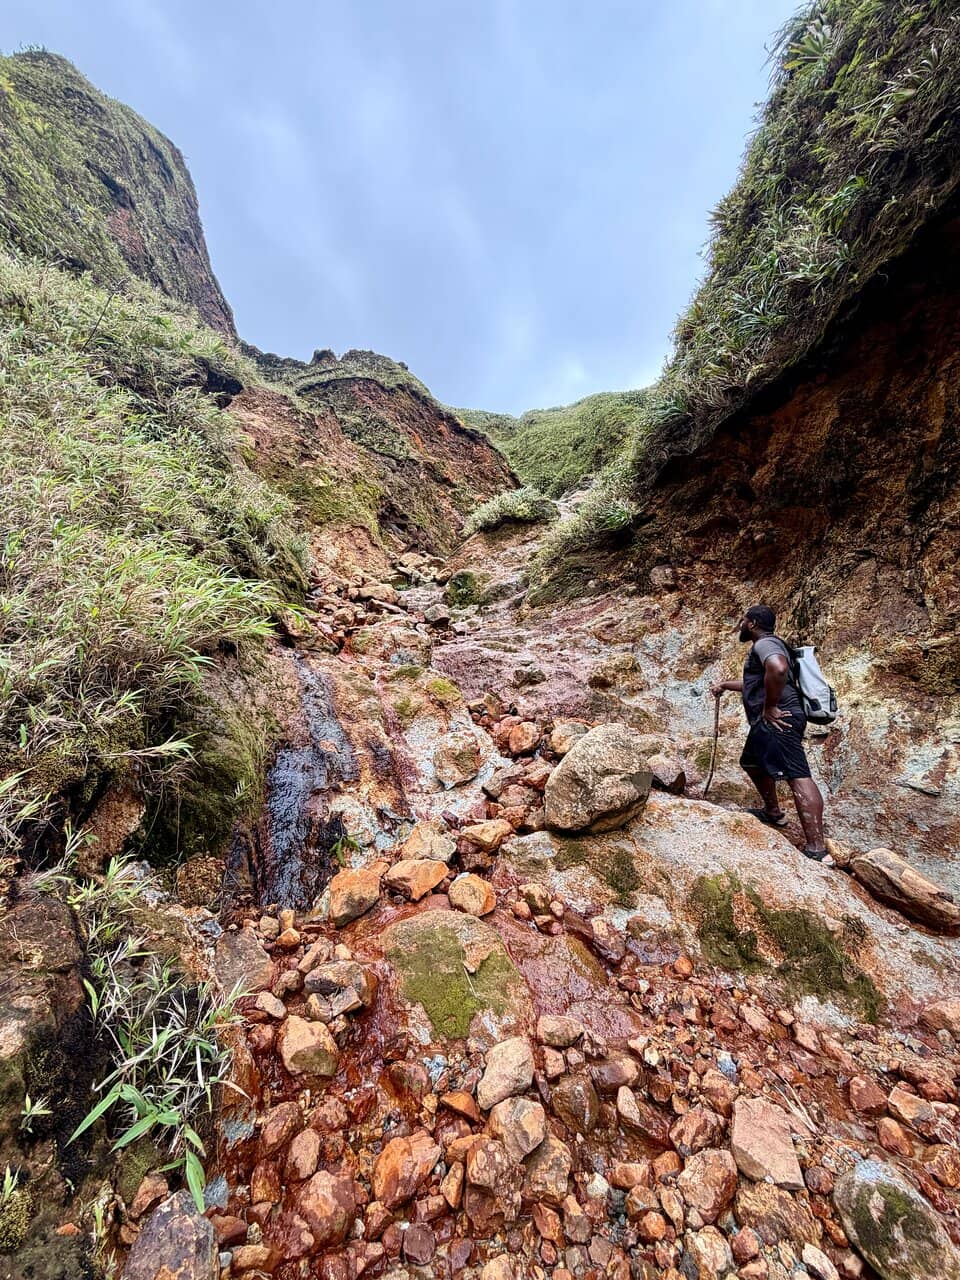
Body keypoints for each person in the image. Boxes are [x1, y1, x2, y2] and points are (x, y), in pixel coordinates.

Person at [710, 604, 831, 863]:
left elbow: (777, 670)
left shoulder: (764, 645)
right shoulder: (770, 645)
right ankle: (772, 811)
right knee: (751, 762)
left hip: (781, 717)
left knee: (797, 775)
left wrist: (770, 707)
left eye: (743, 620)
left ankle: (817, 850)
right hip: (776, 717)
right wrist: (724, 685)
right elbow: (756, 682)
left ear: (752, 623)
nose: (741, 625)